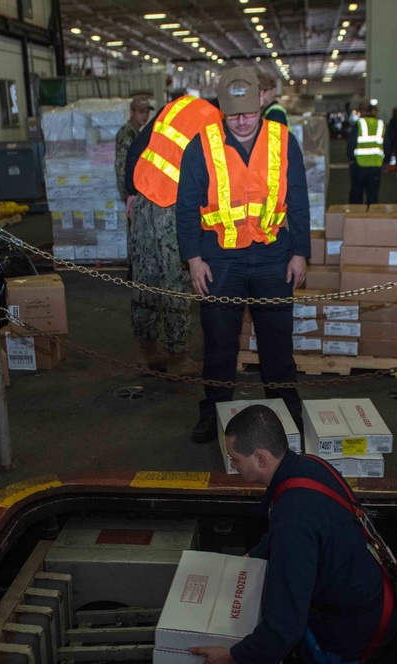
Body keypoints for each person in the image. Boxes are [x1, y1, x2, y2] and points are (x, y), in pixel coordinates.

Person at [190, 404, 397, 664]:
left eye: (235, 459)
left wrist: (232, 657)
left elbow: (284, 628)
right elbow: (281, 538)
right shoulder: (307, 466)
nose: (233, 467)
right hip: (371, 595)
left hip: (354, 633)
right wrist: (247, 562)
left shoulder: (294, 521)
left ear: (260, 457)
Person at [175, 67, 309, 444]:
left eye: (249, 111)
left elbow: (298, 199)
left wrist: (300, 252)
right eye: (234, 114)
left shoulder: (284, 141)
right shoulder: (201, 145)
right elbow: (186, 207)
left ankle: (286, 407)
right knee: (219, 344)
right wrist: (193, 259)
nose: (243, 120)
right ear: (221, 109)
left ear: (262, 101)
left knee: (277, 343)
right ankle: (213, 411)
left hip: (273, 256)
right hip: (219, 260)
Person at [124, 93, 222, 375]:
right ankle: (178, 358)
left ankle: (146, 351)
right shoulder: (215, 121)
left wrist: (132, 191)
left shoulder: (177, 105)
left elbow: (138, 146)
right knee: (175, 282)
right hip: (174, 209)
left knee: (145, 279)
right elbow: (213, 175)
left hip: (144, 202)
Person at [114, 94, 152, 201]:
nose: (144, 116)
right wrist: (128, 193)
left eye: (147, 112)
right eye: (141, 112)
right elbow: (121, 167)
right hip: (132, 193)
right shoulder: (127, 134)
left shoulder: (137, 133)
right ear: (131, 112)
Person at [347, 100, 385, 205]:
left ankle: (355, 219)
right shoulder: (380, 124)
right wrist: (385, 161)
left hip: (359, 165)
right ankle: (371, 219)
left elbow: (351, 144)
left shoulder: (359, 124)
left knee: (356, 195)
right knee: (372, 196)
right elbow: (386, 144)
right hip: (375, 165)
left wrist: (351, 158)